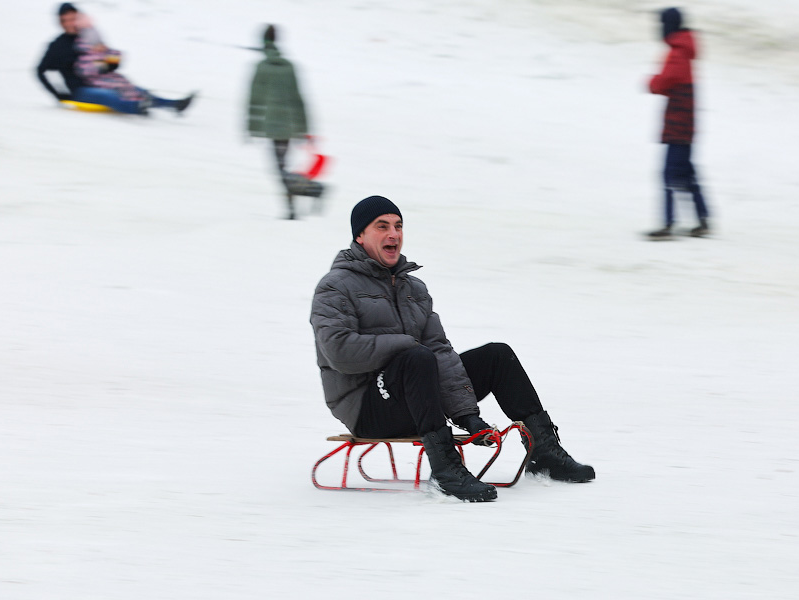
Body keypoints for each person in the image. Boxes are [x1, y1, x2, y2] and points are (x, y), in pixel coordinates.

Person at [310, 196, 596, 502]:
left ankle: (544, 452)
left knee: (496, 356)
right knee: (416, 356)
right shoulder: (335, 286)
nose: (394, 234)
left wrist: (468, 415)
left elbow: (440, 353)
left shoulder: (413, 289)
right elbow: (339, 352)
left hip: (419, 397)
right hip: (368, 406)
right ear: (359, 235)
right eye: (382, 226)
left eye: (398, 226)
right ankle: (445, 468)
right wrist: (406, 345)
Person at [37, 3, 194, 115]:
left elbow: (110, 64)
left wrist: (111, 60)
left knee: (135, 90)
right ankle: (137, 107)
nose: (70, 23)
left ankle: (174, 105)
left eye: (73, 19)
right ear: (61, 22)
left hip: (103, 80)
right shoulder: (57, 46)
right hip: (80, 90)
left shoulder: (88, 37)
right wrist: (58, 94)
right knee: (109, 97)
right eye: (66, 20)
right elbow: (40, 71)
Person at [647, 7, 710, 240]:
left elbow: (661, 83)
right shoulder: (684, 51)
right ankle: (703, 220)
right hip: (686, 125)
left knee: (669, 174)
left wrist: (651, 80)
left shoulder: (677, 53)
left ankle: (667, 224)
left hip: (678, 126)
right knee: (686, 174)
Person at [247, 25, 317, 220]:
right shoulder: (289, 67)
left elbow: (254, 99)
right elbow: (299, 98)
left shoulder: (262, 67)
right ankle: (292, 207)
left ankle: (309, 192)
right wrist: (305, 129)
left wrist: (252, 127)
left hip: (272, 127)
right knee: (282, 167)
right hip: (288, 128)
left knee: (280, 169)